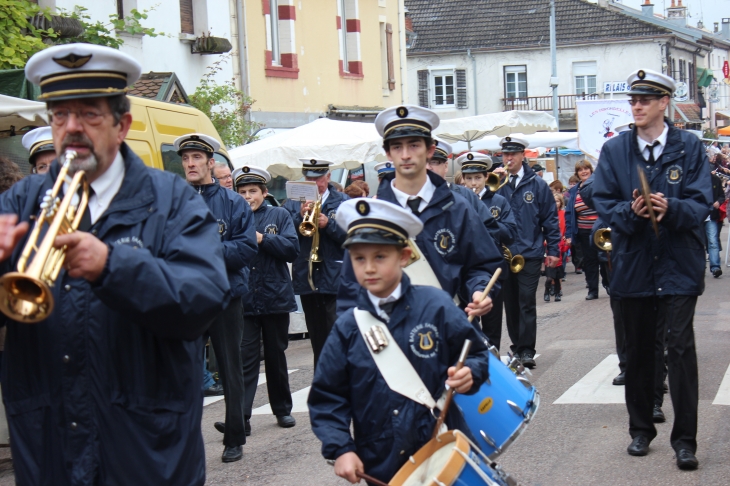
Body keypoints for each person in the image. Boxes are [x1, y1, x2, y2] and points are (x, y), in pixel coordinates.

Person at [1, 43, 231, 485]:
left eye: (88, 115)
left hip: (146, 447)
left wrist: (114, 267)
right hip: (50, 445)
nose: (71, 129)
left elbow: (203, 298)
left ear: (122, 124)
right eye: (59, 116)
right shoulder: (19, 203)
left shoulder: (171, 200)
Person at [308, 198, 491, 484]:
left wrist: (471, 373)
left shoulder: (436, 305)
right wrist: (341, 448)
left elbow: (476, 353)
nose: (369, 268)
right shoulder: (348, 327)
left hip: (445, 449)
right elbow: (327, 396)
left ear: (404, 256)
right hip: (382, 462)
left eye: (380, 256)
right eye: (359, 258)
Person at [592, 68, 711, 470]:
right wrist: (631, 210)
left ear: (664, 104)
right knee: (639, 352)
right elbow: (602, 204)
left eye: (645, 100)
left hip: (678, 263)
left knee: (679, 350)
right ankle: (641, 429)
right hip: (634, 265)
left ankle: (686, 440)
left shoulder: (689, 147)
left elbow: (701, 204)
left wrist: (670, 208)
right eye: (633, 100)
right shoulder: (615, 151)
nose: (637, 106)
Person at [336, 105, 504, 323]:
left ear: (430, 150)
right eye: (397, 147)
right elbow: (351, 287)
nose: (405, 155)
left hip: (449, 326)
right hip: (390, 335)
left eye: (414, 145)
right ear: (388, 152)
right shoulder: (371, 215)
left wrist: (480, 290)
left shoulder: (458, 208)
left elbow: (482, 265)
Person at [175, 133, 258, 463]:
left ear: (211, 163)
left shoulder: (234, 202)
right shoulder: (175, 200)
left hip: (225, 297)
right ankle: (183, 441)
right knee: (184, 371)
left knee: (229, 367)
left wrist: (206, 249)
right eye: (185, 158)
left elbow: (247, 248)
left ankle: (235, 436)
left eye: (196, 158)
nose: (190, 164)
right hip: (187, 298)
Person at [233, 166, 299, 435]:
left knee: (275, 355)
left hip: (275, 296)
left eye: (253, 192)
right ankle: (242, 417)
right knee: (245, 358)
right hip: (245, 297)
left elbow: (292, 249)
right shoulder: (234, 217)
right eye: (243, 192)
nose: (248, 197)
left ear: (264, 192)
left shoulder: (278, 214)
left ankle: (282, 410)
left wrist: (263, 238)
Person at [494, 136, 560, 368]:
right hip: (504, 253)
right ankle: (516, 346)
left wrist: (553, 249)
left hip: (529, 252)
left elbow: (550, 219)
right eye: (505, 154)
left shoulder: (538, 185)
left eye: (513, 154)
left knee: (526, 301)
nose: (508, 158)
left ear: (523, 155)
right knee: (510, 303)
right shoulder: (498, 184)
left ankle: (527, 350)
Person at [283, 159, 349, 368]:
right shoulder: (293, 203)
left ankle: (341, 383)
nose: (313, 184)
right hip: (308, 276)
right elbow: (286, 237)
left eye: (317, 179)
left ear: (328, 177)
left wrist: (329, 225)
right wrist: (298, 217)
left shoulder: (343, 202)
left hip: (335, 277)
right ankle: (322, 385)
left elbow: (354, 238)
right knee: (317, 338)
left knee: (337, 335)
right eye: (309, 179)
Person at [455, 151, 517, 350]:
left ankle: (493, 365)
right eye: (469, 178)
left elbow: (511, 232)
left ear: (485, 178)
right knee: (467, 324)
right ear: (463, 179)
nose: (474, 183)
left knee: (492, 326)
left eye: (478, 178)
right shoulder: (456, 202)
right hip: (465, 270)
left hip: (492, 269)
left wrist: (486, 222)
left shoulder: (499, 201)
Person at [427, 141, 501, 239]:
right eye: (423, 161)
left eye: (434, 162)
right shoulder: (411, 196)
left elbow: (491, 231)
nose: (428, 167)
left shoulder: (466, 195)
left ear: (445, 166)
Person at [565, 160, 604, 299]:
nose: (584, 171)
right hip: (584, 231)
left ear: (591, 170)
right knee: (590, 261)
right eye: (580, 170)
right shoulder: (574, 191)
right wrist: (569, 233)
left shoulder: (599, 185)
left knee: (605, 259)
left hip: (601, 230)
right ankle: (593, 290)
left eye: (586, 168)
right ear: (577, 173)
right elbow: (569, 213)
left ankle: (609, 284)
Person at [545, 192, 567, 302]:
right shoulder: (547, 213)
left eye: (557, 201)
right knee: (550, 271)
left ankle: (558, 289)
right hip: (548, 245)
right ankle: (549, 288)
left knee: (559, 270)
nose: (555, 203)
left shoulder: (563, 213)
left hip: (560, 244)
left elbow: (566, 227)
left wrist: (566, 237)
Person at [706, 164, 724, 278]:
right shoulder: (694, 178)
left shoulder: (715, 180)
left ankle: (715, 267)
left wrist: (719, 201)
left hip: (710, 216)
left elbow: (721, 195)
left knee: (713, 241)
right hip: (697, 215)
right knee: (696, 242)